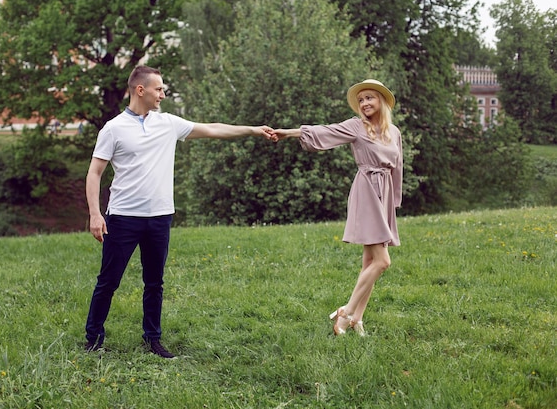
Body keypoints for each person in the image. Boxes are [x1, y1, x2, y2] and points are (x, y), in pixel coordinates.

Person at [85, 65, 273, 357]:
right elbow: (95, 173)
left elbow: (212, 129)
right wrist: (96, 214)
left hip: (160, 217)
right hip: (123, 218)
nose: (163, 94)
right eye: (158, 89)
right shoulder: (113, 129)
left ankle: (153, 339)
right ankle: (93, 339)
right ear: (140, 90)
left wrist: (253, 130)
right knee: (108, 281)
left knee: (155, 282)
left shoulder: (168, 123)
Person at [270, 79, 403, 337]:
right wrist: (287, 133)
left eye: (369, 98)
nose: (364, 103)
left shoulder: (394, 132)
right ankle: (346, 312)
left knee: (370, 262)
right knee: (382, 261)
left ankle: (357, 319)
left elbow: (397, 168)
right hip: (366, 191)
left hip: (384, 193)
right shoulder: (356, 126)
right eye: (361, 99)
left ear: (382, 101)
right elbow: (324, 131)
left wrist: (393, 202)